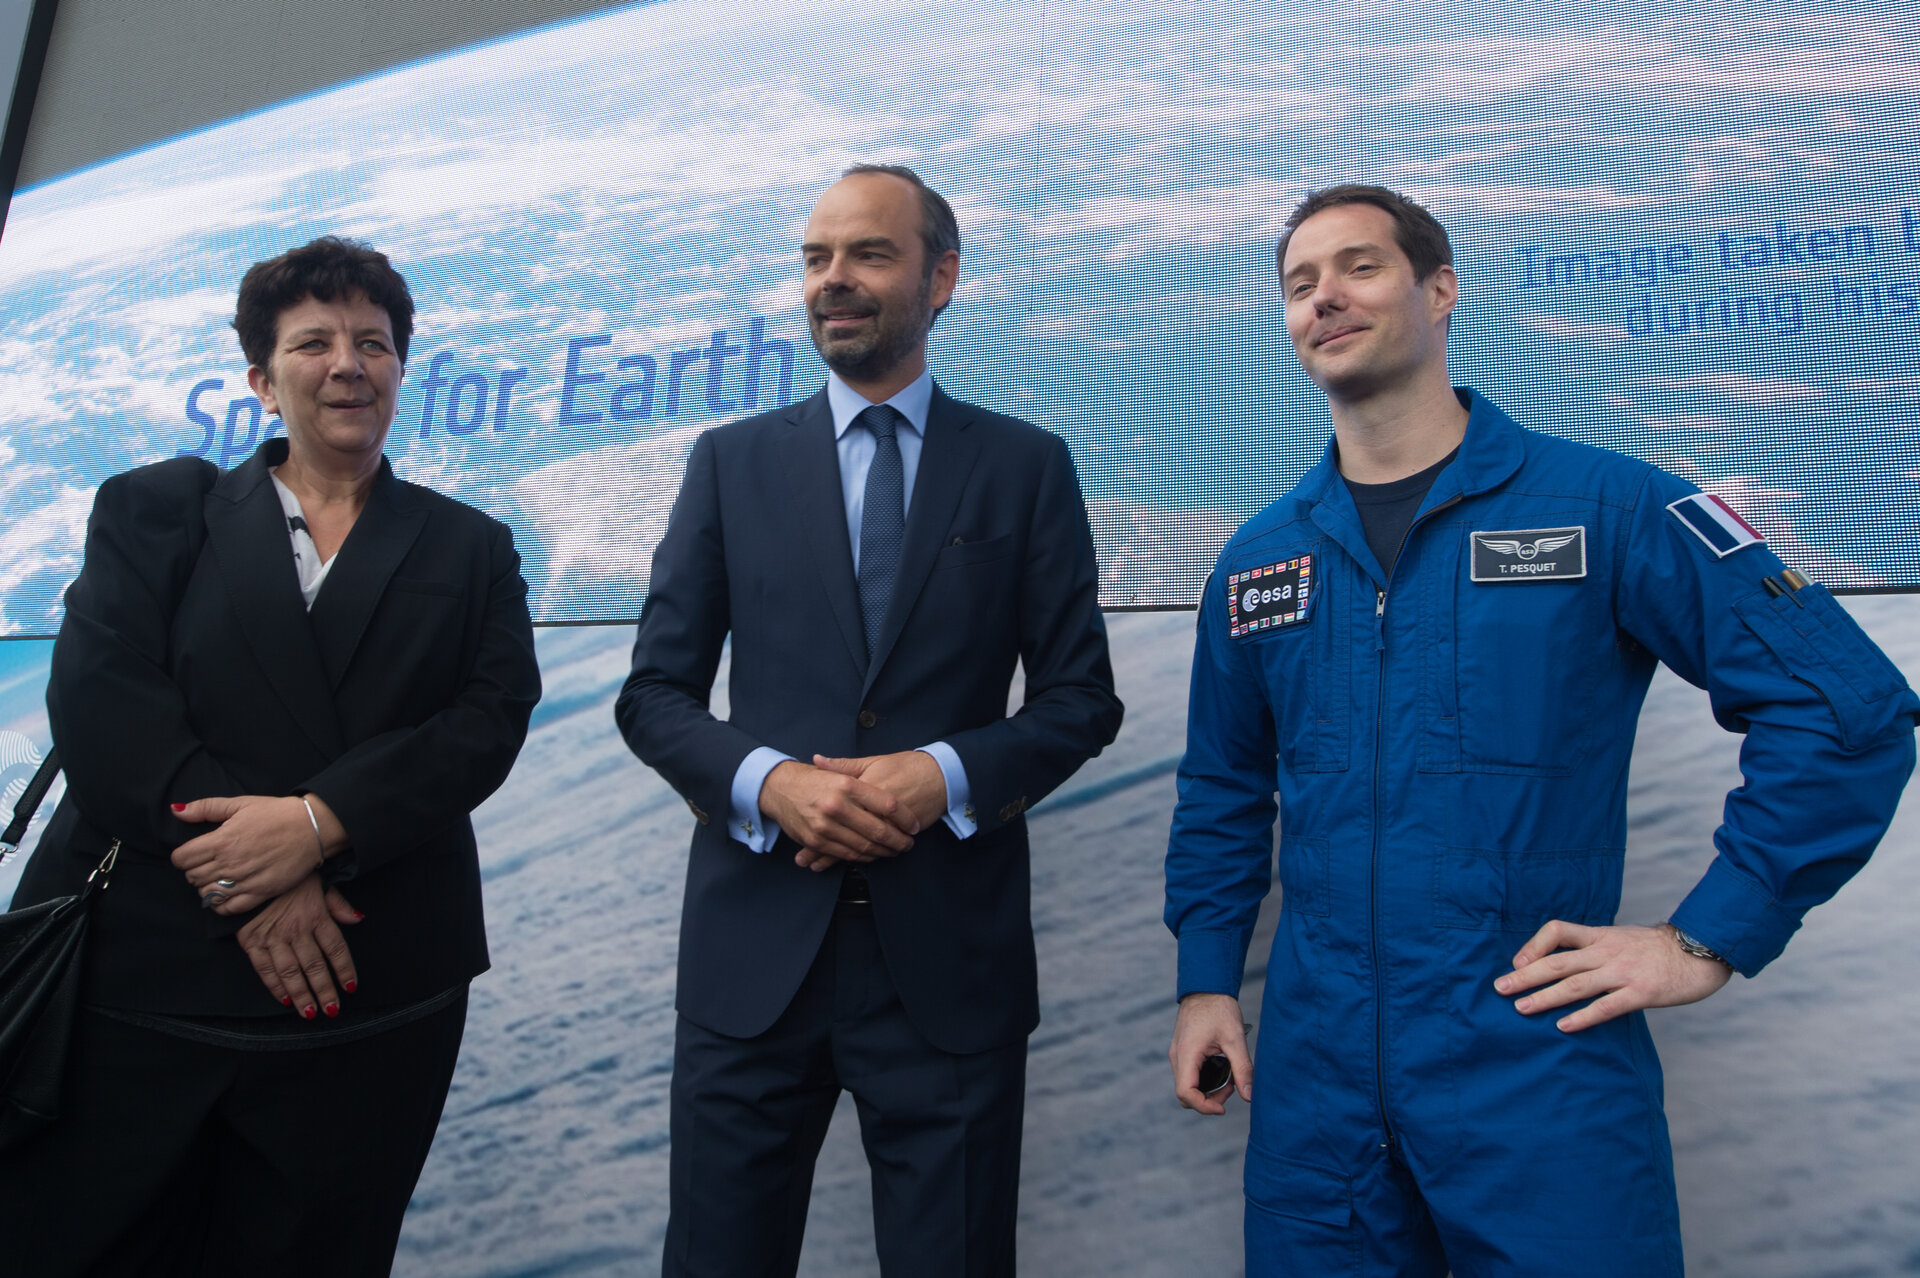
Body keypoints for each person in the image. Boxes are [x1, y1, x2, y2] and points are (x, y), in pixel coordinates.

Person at [1163, 184, 1918, 1277]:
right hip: (1316, 1100)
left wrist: (1707, 937)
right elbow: (1224, 789)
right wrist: (1204, 983)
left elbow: (1846, 708)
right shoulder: (1260, 561)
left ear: (1441, 290)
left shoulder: (1607, 508)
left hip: (1536, 1073)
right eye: (1298, 285)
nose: (1324, 297)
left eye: (1359, 267)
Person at [0, 236, 542, 1276]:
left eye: (374, 343)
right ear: (260, 378)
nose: (349, 363)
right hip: (145, 987)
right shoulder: (159, 512)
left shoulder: (470, 547)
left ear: (399, 369)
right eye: (316, 342)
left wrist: (316, 828)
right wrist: (258, 875)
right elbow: (105, 708)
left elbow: (488, 719)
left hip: (368, 997)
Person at [617, 163, 1122, 1276]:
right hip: (753, 967)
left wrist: (941, 774)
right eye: (815, 258)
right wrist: (769, 784)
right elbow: (653, 694)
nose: (832, 281)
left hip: (949, 971)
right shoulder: (729, 463)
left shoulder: (1026, 467)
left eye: (868, 255)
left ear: (941, 277)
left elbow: (1084, 699)